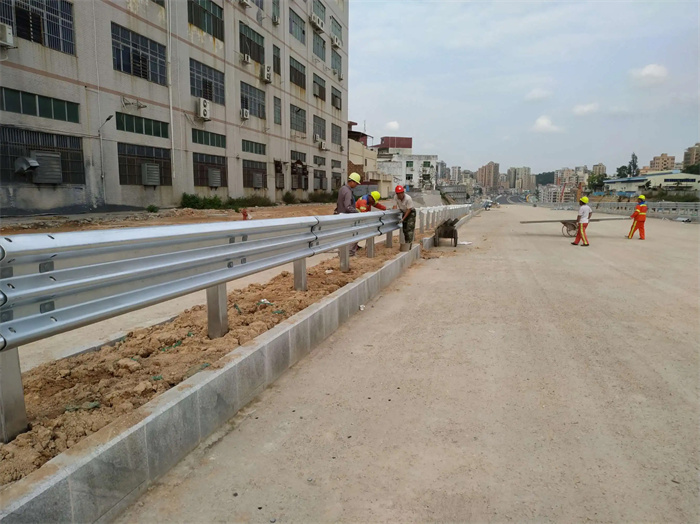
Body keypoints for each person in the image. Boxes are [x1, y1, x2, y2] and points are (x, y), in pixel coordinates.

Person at [335, 172, 361, 256]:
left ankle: (342, 253)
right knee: (355, 234)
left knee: (343, 236)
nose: (356, 185)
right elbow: (348, 206)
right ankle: (350, 253)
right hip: (346, 216)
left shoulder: (342, 189)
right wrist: (357, 212)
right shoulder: (348, 191)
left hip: (340, 215)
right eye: (356, 183)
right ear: (352, 182)